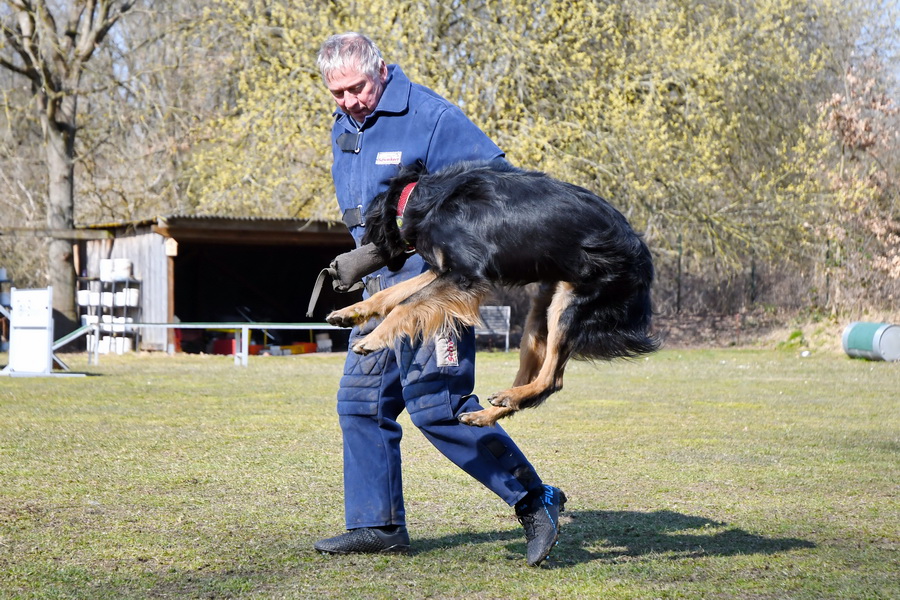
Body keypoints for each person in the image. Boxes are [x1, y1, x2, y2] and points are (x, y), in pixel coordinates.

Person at [313, 32, 566, 567]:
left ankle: (535, 499)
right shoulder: (345, 127)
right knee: (360, 404)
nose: (348, 101)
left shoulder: (431, 118)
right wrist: (366, 258)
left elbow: (499, 183)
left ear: (380, 71)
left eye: (356, 88)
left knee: (439, 407)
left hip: (437, 291)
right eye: (336, 93)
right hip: (383, 296)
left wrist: (446, 248)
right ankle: (376, 525)